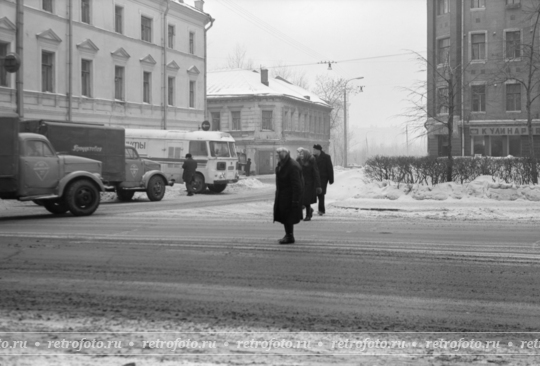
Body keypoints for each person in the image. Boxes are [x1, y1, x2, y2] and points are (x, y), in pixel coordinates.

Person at [273, 147, 303, 244]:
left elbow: (296, 185)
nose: (276, 156)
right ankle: (288, 235)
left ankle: (289, 236)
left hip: (289, 196)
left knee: (288, 216)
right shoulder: (283, 164)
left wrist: (295, 200)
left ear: (282, 154)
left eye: (277, 154)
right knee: (285, 216)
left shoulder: (292, 166)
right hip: (283, 195)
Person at [296, 147, 322, 222]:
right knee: (300, 200)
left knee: (306, 200)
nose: (301, 155)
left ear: (306, 154)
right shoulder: (298, 160)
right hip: (300, 183)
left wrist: (318, 186)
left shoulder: (311, 161)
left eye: (302, 153)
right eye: (300, 154)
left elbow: (316, 173)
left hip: (310, 184)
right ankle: (306, 212)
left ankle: (308, 215)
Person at [313, 144, 334, 216]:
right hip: (314, 178)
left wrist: (331, 179)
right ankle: (308, 207)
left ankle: (321, 210)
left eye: (315, 150)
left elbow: (330, 168)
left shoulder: (326, 157)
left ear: (319, 150)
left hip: (323, 178)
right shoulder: (313, 157)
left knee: (321, 194)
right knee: (312, 193)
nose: (313, 151)